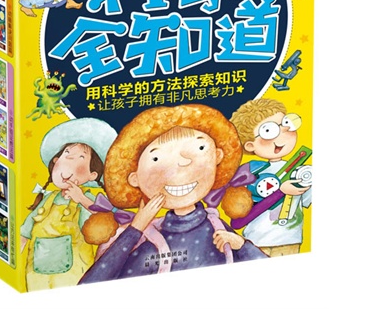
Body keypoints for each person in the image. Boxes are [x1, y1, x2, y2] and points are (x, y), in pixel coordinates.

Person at [79, 104, 267, 284]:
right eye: (156, 158)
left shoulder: (216, 226)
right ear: (135, 178)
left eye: (200, 148)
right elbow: (92, 284)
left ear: (218, 155)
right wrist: (136, 227)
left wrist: (241, 245)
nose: (183, 162)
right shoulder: (149, 241)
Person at [20, 118, 117, 291]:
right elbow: (25, 231)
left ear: (93, 175)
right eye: (67, 154)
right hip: (37, 275)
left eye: (81, 157)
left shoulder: (88, 200)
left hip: (74, 275)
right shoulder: (47, 199)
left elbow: (99, 229)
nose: (69, 161)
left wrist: (81, 200)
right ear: (55, 161)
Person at [230, 98, 312, 256]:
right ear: (250, 145)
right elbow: (238, 221)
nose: (283, 133)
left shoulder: (301, 169)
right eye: (268, 131)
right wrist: (281, 192)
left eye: (286, 124)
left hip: (290, 239)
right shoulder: (248, 172)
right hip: (257, 240)